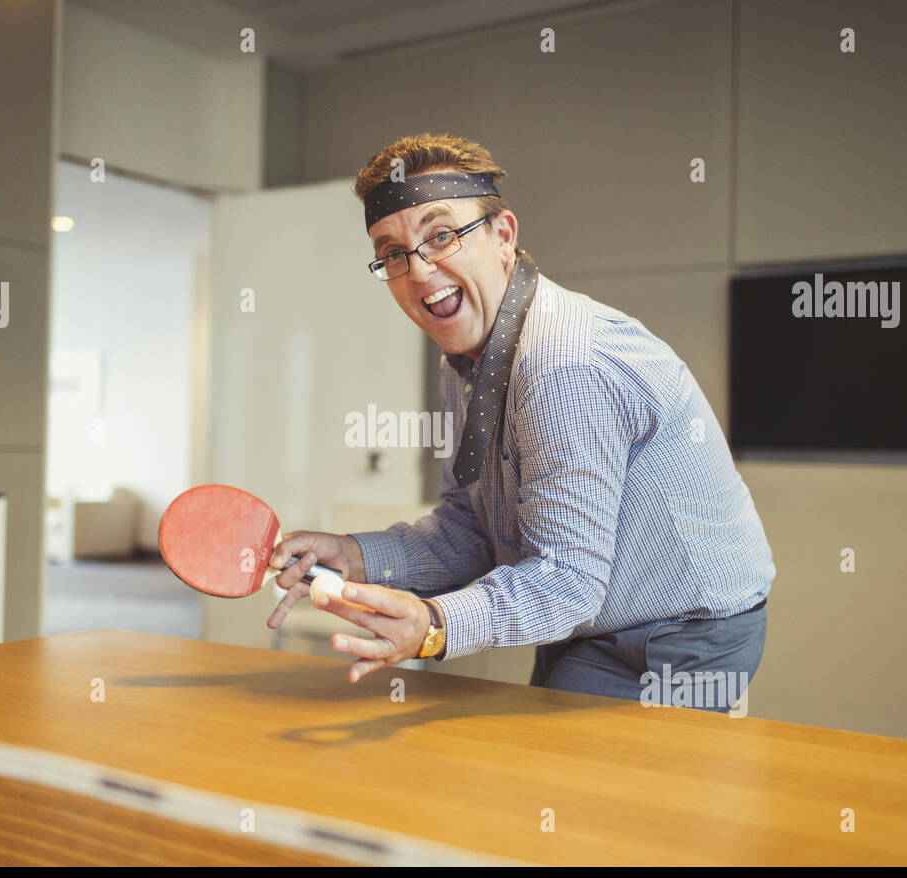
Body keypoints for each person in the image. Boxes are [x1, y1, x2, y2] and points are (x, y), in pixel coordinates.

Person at [267, 133, 775, 712]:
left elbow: (565, 583)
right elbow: (472, 530)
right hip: (594, 615)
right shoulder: (464, 362)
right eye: (393, 253)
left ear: (503, 236)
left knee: (570, 792)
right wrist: (354, 554)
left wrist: (433, 623)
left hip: (686, 633)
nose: (419, 269)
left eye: (441, 235)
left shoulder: (562, 364)